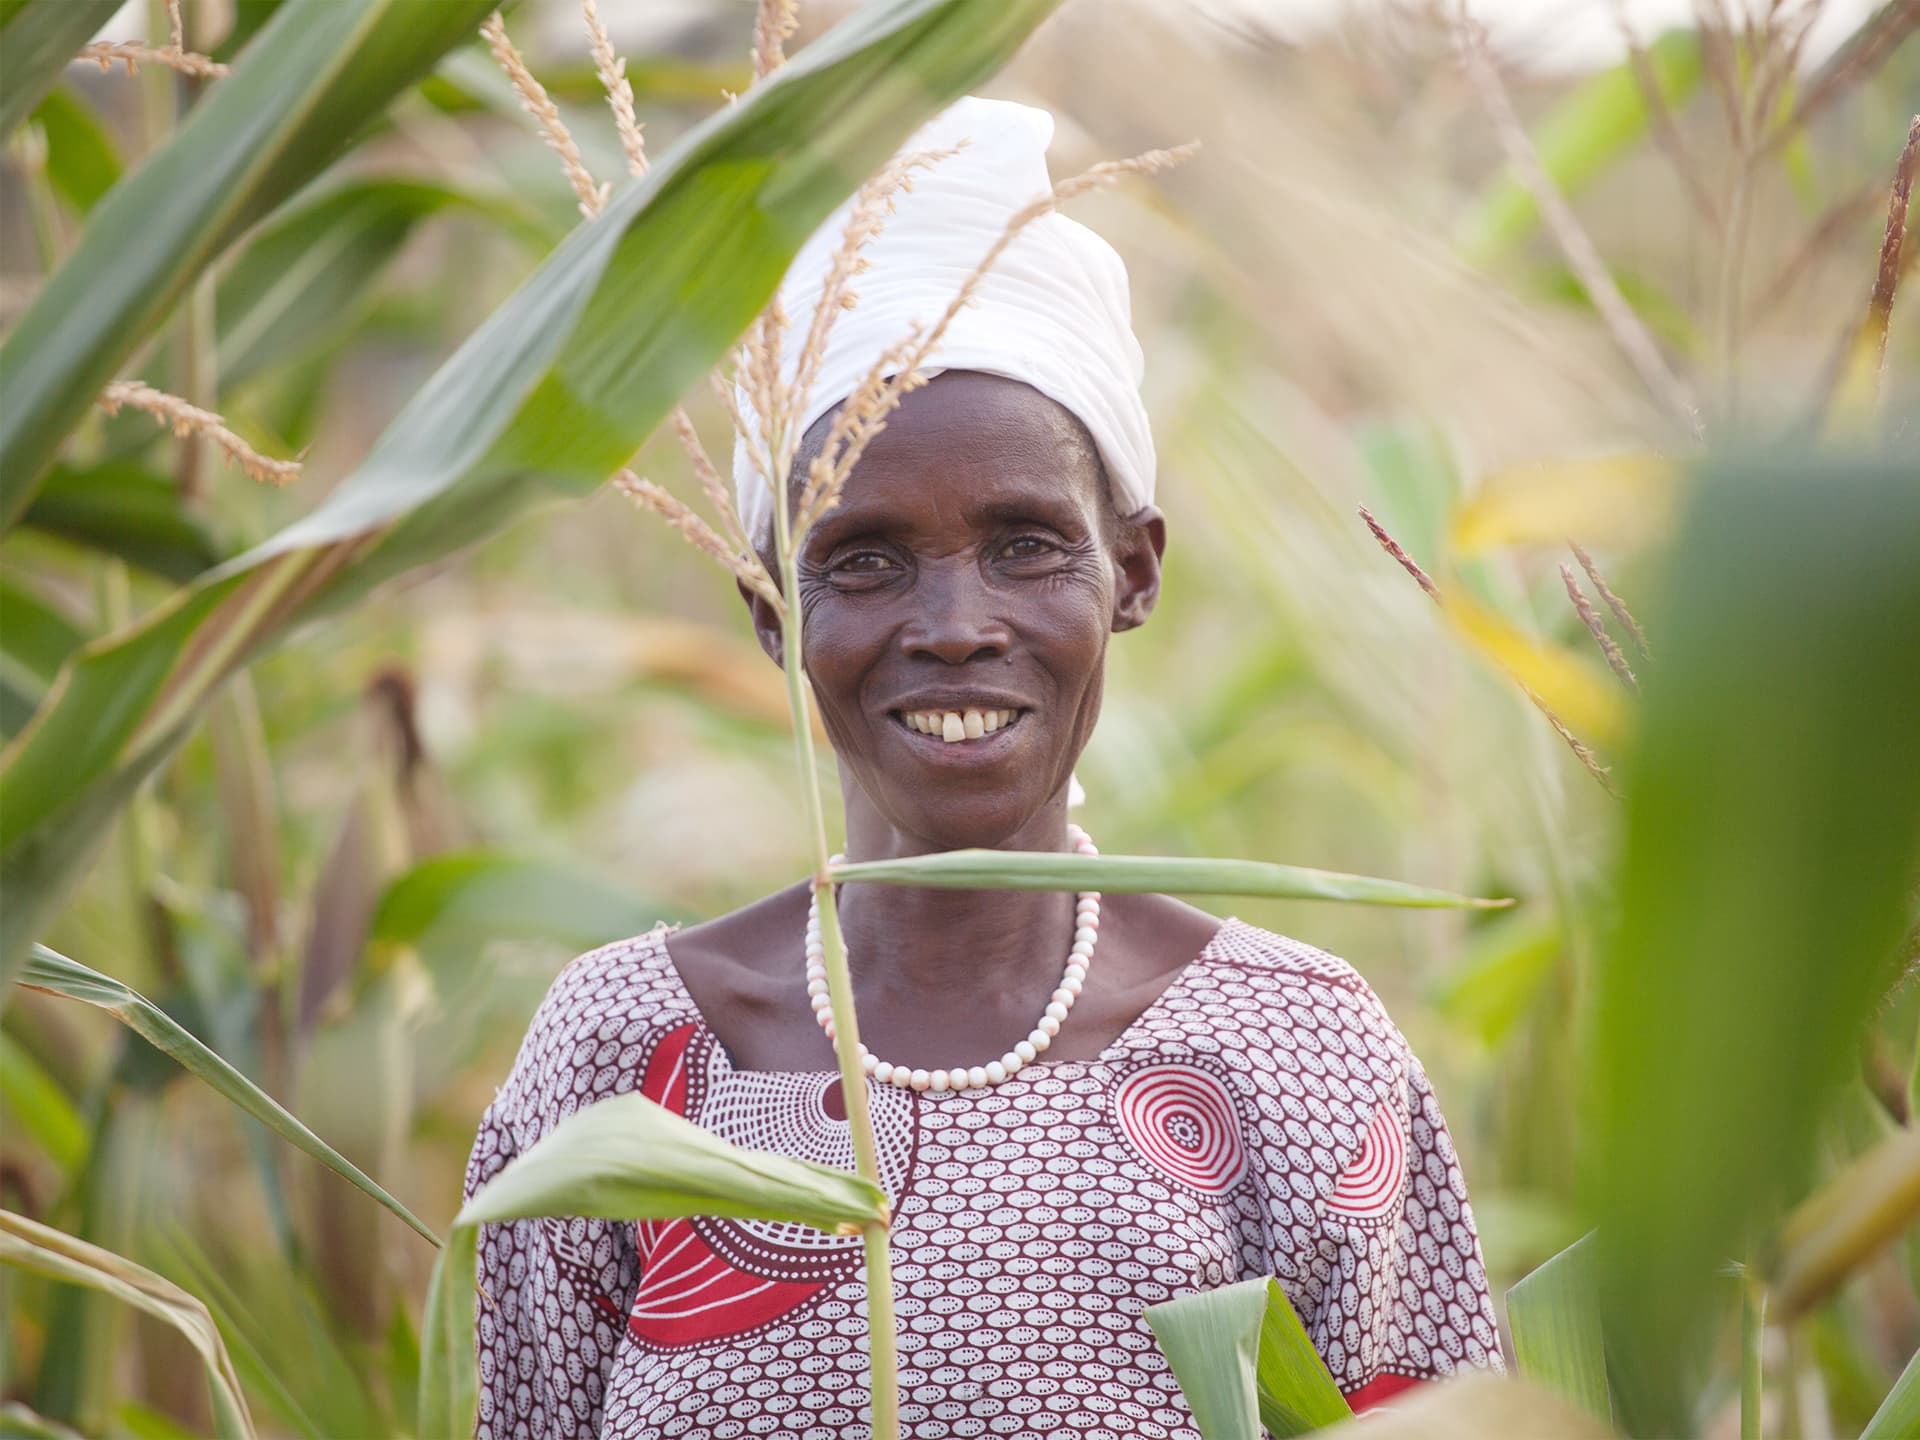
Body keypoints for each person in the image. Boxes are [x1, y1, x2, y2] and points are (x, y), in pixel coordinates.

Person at [466, 97, 1501, 1440]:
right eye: (866, 558)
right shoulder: (623, 1060)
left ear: (1130, 572)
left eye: (1025, 545)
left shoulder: (1295, 1053)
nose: (955, 628)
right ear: (773, 610)